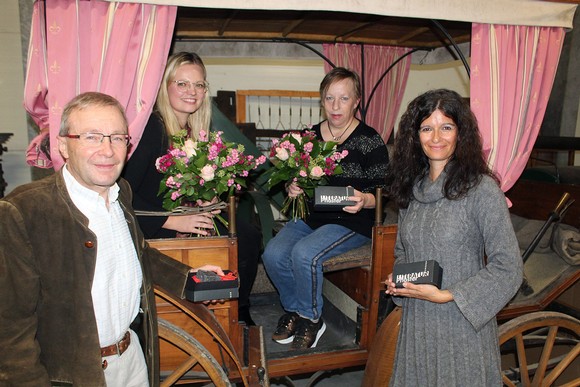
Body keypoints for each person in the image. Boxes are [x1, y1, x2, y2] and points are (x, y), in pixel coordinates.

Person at [0, 92, 223, 386]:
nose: (108, 150)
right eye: (92, 137)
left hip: (132, 360)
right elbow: (11, 328)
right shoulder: (24, 211)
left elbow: (138, 254)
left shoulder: (122, 193)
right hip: (75, 375)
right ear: (64, 145)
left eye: (118, 138)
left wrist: (192, 278)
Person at [384, 89, 523, 385]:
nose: (436, 137)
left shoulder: (482, 190)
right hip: (417, 324)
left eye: (446, 126)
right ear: (414, 136)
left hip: (461, 326)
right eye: (426, 128)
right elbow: (402, 252)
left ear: (461, 133)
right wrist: (399, 282)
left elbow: (509, 268)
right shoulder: (411, 190)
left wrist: (448, 295)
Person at [121, 52, 260, 326]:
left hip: (184, 214)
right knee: (241, 234)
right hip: (152, 220)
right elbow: (124, 191)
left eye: (198, 85)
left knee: (247, 230)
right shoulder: (153, 128)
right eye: (182, 83)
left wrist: (210, 196)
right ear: (166, 87)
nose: (192, 91)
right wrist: (172, 220)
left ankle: (237, 307)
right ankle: (231, 309)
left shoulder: (194, 131)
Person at [262, 67, 389, 350]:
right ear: (322, 99)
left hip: (351, 221)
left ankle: (312, 318)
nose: (335, 106)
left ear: (356, 101)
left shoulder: (370, 140)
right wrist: (292, 188)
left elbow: (384, 190)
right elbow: (296, 178)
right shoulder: (309, 138)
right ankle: (296, 309)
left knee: (305, 253)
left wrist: (366, 199)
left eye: (344, 99)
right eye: (329, 98)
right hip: (311, 216)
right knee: (272, 253)